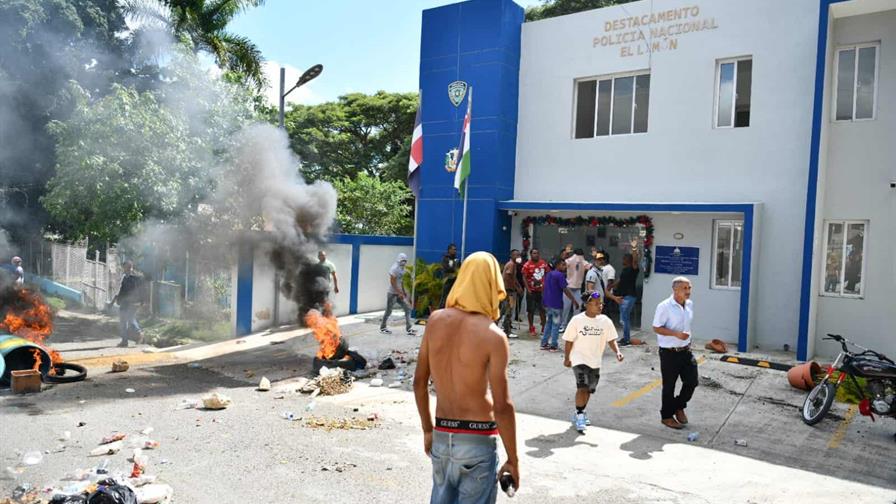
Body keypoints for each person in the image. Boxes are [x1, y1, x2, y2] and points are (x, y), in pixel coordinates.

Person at [413, 251, 519, 503]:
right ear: (492, 284)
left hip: (442, 433)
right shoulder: (493, 336)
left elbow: (419, 383)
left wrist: (428, 430)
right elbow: (502, 406)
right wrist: (513, 459)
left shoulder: (435, 321)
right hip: (478, 439)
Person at [563, 291, 624, 433]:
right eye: (596, 303)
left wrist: (617, 352)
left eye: (601, 303)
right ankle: (579, 415)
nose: (600, 306)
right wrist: (567, 358)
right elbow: (569, 341)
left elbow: (611, 339)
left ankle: (581, 411)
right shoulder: (577, 320)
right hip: (579, 359)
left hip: (595, 361)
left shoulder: (605, 321)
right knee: (582, 387)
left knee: (590, 389)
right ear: (586, 305)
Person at [652, 276, 697, 430]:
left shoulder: (689, 304)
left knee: (692, 382)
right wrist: (676, 334)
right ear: (675, 289)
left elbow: (686, 325)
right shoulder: (664, 306)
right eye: (685, 288)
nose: (688, 291)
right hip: (669, 353)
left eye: (689, 288)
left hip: (686, 350)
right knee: (669, 386)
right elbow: (656, 327)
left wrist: (687, 339)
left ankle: (679, 406)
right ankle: (666, 416)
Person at [541, 257, 578, 352]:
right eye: (563, 265)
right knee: (556, 325)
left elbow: (544, 288)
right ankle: (553, 345)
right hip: (556, 304)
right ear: (557, 265)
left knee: (549, 323)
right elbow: (565, 289)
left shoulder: (549, 274)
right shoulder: (560, 275)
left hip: (548, 303)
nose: (565, 267)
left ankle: (544, 343)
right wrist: (574, 300)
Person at [610, 239, 639, 346]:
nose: (623, 260)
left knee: (624, 319)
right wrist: (611, 286)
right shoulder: (625, 270)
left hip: (629, 296)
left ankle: (626, 339)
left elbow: (635, 260)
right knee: (624, 318)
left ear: (629, 260)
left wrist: (634, 248)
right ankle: (625, 338)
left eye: (625, 259)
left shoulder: (633, 268)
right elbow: (620, 280)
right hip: (623, 296)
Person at [380, 253, 415, 335]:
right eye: (402, 260)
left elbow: (401, 281)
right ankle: (383, 328)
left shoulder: (402, 269)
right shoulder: (394, 268)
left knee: (407, 308)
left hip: (399, 294)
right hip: (392, 294)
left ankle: (409, 328)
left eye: (405, 260)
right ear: (399, 260)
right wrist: (399, 293)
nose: (404, 262)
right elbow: (392, 282)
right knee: (389, 311)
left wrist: (403, 292)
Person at [112, 260, 144, 348]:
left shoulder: (135, 277)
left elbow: (141, 290)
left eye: (127, 267)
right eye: (125, 267)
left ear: (130, 267)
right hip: (125, 302)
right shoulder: (125, 277)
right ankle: (124, 341)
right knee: (123, 321)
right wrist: (118, 299)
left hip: (133, 302)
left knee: (130, 318)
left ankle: (139, 332)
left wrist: (141, 300)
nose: (126, 269)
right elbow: (122, 290)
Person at [521, 249, 548, 336]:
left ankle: (544, 327)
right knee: (531, 310)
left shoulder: (543, 263)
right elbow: (524, 278)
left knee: (542, 310)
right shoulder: (527, 265)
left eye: (537, 253)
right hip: (531, 291)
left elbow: (547, 274)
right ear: (531, 254)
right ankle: (531, 327)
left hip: (542, 291)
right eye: (534, 253)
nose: (536, 255)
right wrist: (528, 289)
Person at [562, 248, 587, 331]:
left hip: (568, 286)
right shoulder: (584, 261)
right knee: (577, 308)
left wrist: (566, 254)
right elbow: (591, 267)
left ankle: (563, 325)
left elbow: (563, 264)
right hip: (577, 288)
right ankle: (575, 326)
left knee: (566, 308)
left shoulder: (569, 260)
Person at [500, 249, 523, 338]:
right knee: (509, 311)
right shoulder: (511, 265)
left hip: (508, 290)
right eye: (516, 255)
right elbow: (509, 276)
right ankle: (507, 331)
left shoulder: (513, 264)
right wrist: (516, 288)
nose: (518, 257)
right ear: (512, 256)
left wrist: (518, 286)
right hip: (509, 291)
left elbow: (513, 277)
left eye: (519, 255)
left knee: (504, 310)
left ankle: (502, 327)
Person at [438, 244, 461, 309]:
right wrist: (454, 267)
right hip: (447, 281)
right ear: (449, 250)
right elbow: (446, 268)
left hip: (455, 281)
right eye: (453, 249)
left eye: (455, 249)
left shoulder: (457, 260)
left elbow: (459, 269)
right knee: (445, 296)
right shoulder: (445, 259)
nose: (454, 251)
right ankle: (441, 310)